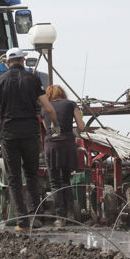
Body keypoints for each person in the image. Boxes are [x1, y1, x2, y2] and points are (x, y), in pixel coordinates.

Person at [0, 48, 59, 232]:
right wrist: (55, 125)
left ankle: (22, 222)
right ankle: (34, 217)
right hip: (30, 133)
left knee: (14, 178)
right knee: (32, 175)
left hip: (10, 133)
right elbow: (48, 108)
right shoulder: (33, 80)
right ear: (22, 60)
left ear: (7, 62)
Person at [41, 84, 87, 227]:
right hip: (67, 144)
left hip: (51, 146)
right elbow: (81, 127)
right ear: (62, 93)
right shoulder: (71, 104)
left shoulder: (44, 109)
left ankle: (60, 217)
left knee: (55, 182)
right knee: (66, 179)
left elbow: (46, 129)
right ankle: (71, 214)